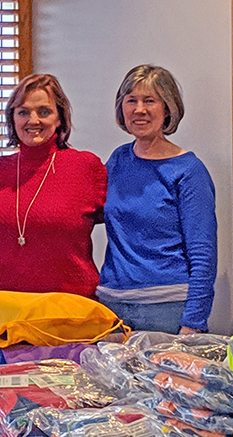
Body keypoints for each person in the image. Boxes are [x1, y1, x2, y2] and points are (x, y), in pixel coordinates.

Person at [98, 65, 217, 334]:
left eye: (149, 100)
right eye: (131, 101)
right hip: (112, 308)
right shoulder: (117, 160)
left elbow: (203, 255)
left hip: (168, 309)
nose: (139, 109)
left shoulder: (188, 171)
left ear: (168, 109)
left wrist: (193, 323)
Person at [0, 74, 106, 298]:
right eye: (23, 112)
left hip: (71, 309)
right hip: (4, 306)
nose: (33, 120)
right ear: (12, 118)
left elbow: (127, 228)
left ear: (60, 118)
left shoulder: (86, 167)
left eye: (44, 111)